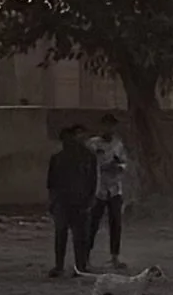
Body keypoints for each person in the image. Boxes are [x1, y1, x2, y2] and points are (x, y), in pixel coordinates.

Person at [47, 123, 97, 277]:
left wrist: (90, 199)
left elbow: (93, 181)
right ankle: (61, 266)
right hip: (63, 201)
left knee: (79, 236)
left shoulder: (88, 157)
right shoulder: (57, 158)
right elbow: (51, 183)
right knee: (63, 234)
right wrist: (53, 202)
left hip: (79, 201)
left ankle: (79, 266)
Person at [88, 113, 129, 268]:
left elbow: (124, 164)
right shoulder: (93, 144)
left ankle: (115, 257)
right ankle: (86, 255)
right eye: (106, 125)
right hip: (98, 188)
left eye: (112, 125)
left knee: (116, 224)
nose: (109, 128)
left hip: (114, 189)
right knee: (93, 224)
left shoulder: (118, 144)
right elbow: (89, 164)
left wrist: (118, 166)